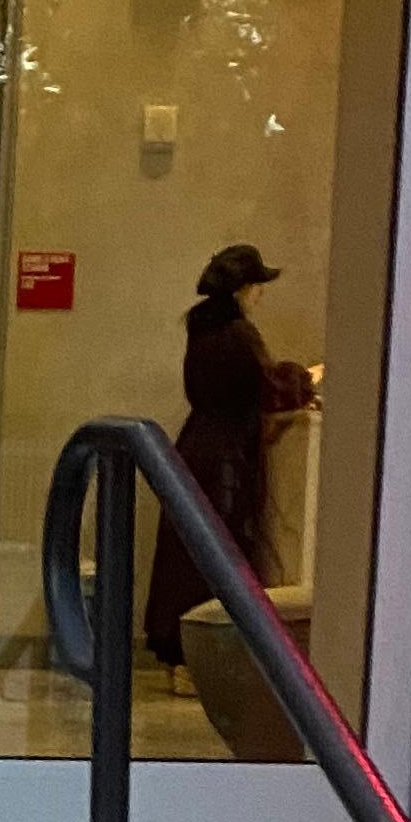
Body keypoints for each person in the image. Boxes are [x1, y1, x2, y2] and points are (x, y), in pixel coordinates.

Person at [142, 243, 314, 667]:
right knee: (222, 551)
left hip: (196, 447)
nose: (261, 294)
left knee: (188, 552)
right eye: (257, 286)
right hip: (227, 459)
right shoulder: (238, 335)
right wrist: (305, 379)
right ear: (242, 289)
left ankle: (177, 644)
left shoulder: (202, 329)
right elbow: (269, 387)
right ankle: (211, 653)